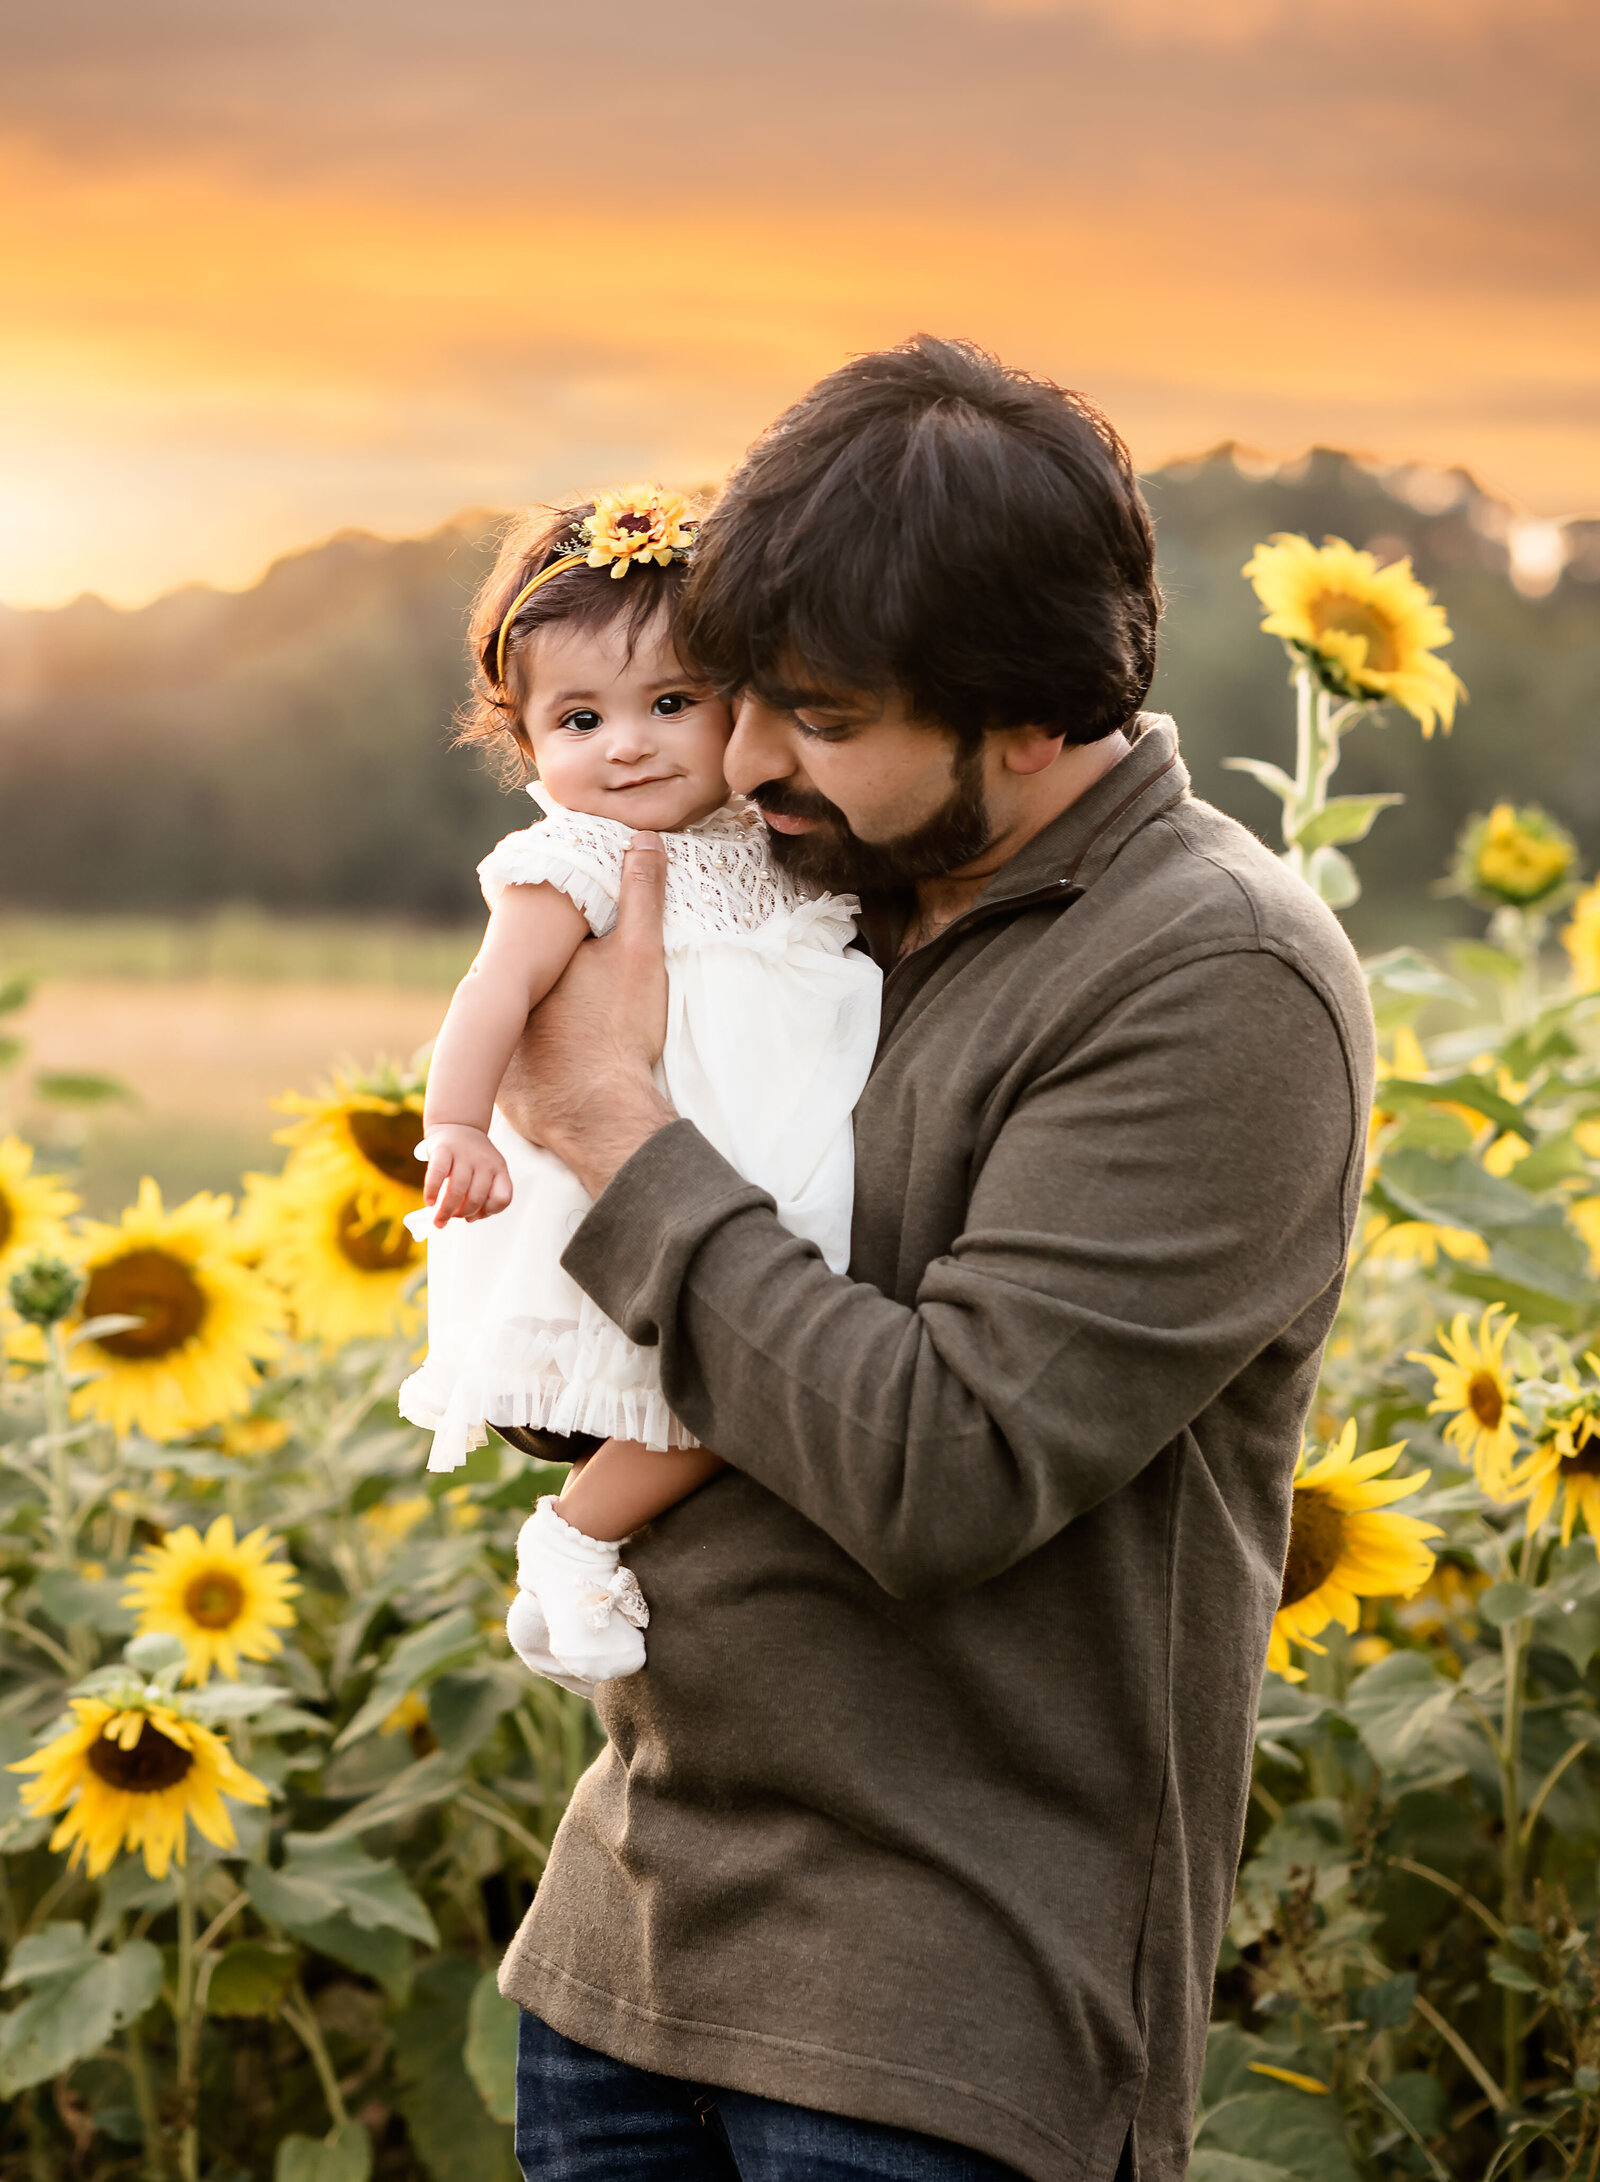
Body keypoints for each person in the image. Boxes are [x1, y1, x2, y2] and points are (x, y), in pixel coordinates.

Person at [493, 337, 1375, 2182]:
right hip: (625, 1938)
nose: (736, 761)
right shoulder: (799, 887)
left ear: (1029, 718)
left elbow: (944, 1468)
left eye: (815, 716)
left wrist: (611, 1130)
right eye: (743, 696)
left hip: (942, 2010)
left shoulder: (1213, 980)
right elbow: (611, 1367)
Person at [397, 485, 880, 1686]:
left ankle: (578, 1545)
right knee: (718, 1377)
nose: (626, 743)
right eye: (578, 719)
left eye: (670, 703)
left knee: (773, 1357)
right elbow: (494, 997)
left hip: (756, 1157)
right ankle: (573, 1538)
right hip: (636, 1180)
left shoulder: (773, 837)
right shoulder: (574, 856)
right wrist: (454, 1125)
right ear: (524, 739)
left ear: (737, 706)